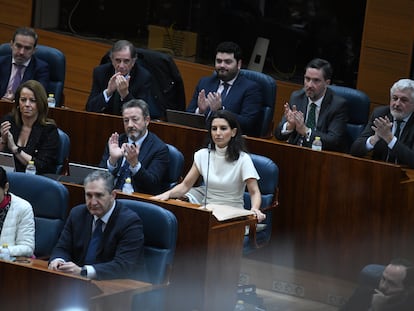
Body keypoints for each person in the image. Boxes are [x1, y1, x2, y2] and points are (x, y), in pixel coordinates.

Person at [153, 109, 266, 222]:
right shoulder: (202, 155)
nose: (217, 133)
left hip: (232, 215)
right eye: (214, 129)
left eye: (223, 128)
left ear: (233, 132)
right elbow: (185, 186)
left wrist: (255, 209)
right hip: (207, 212)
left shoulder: (243, 159)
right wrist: (167, 194)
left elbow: (254, 191)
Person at [48, 170, 144, 280]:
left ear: (112, 195)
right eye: (89, 195)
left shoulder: (129, 222)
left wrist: (83, 272)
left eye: (99, 195)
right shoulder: (77, 214)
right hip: (78, 284)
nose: (93, 202)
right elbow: (62, 248)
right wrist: (59, 261)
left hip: (116, 286)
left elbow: (123, 265)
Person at [186, 41, 263, 137]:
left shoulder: (251, 88)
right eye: (219, 61)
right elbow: (188, 115)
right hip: (200, 136)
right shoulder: (204, 83)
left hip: (231, 142)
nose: (222, 65)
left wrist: (220, 110)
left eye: (227, 62)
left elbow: (248, 123)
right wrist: (200, 111)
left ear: (239, 64)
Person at [274, 58, 348, 152]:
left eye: (316, 80)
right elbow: (278, 135)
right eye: (307, 79)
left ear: (327, 83)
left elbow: (334, 140)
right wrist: (290, 126)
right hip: (295, 153)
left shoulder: (338, 105)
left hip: (322, 158)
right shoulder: (297, 97)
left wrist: (306, 131)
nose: (309, 85)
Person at [99, 99, 169, 195]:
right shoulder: (117, 142)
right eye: (126, 120)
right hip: (110, 197)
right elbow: (98, 179)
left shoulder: (159, 149)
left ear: (147, 120)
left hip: (137, 200)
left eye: (135, 119)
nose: (130, 125)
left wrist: (135, 165)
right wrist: (113, 161)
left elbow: (153, 185)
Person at [350, 78, 414, 168]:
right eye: (395, 98)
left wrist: (390, 139)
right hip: (379, 173)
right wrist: (374, 138)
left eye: (404, 100)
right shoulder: (381, 114)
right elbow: (354, 150)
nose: (397, 104)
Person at [0, 80, 59, 174]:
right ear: (18, 103)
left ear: (40, 103)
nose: (27, 104)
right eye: (23, 100)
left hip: (33, 181)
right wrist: (3, 140)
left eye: (32, 100)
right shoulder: (9, 121)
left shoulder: (49, 130)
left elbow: (42, 166)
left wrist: (15, 149)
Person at [85, 40, 152, 116]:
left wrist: (125, 95)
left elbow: (141, 114)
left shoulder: (143, 77)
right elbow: (89, 108)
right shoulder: (100, 72)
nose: (121, 66)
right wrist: (108, 92)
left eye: (126, 61)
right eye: (118, 60)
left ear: (133, 62)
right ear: (112, 59)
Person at [340, 258, 414, 311]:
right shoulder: (364, 292)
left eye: (392, 283)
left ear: (406, 290)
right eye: (383, 279)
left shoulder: (408, 307)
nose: (383, 286)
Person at [0, 27, 49, 101]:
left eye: (27, 48)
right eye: (18, 46)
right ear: (11, 45)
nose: (21, 52)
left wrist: (15, 100)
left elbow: (38, 96)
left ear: (34, 50)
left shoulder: (41, 69)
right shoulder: (1, 62)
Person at [0, 166, 34, 257]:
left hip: (8, 263)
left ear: (6, 187)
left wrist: (3, 251)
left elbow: (27, 248)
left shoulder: (23, 208)